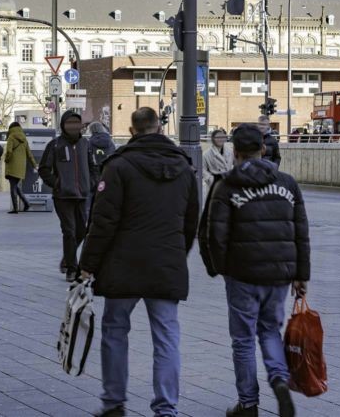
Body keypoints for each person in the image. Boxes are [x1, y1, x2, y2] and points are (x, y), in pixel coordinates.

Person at [80, 107, 199, 417]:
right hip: (166, 265)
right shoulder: (184, 168)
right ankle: (166, 408)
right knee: (167, 337)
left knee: (116, 330)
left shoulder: (118, 167)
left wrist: (88, 263)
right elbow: (191, 222)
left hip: (124, 265)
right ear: (159, 128)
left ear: (132, 131)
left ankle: (114, 403)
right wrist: (176, 254)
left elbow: (102, 222)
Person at [200, 123, 309, 417]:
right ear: (263, 149)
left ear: (234, 151)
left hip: (242, 274)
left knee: (244, 339)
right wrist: (301, 274)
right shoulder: (287, 184)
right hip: (279, 274)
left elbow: (215, 234)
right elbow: (301, 232)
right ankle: (279, 381)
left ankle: (248, 404)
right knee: (270, 331)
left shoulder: (226, 186)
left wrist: (222, 268)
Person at [39, 110, 99, 282]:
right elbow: (44, 169)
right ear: (63, 126)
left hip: (82, 195)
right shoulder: (56, 145)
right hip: (63, 196)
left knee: (82, 231)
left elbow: (93, 166)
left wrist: (92, 183)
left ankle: (67, 258)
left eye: (76, 123)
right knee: (69, 231)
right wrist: (56, 183)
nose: (73, 127)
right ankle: (72, 268)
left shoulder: (85, 144)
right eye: (69, 123)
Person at [3, 122, 37, 214]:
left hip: (12, 166)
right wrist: (34, 165)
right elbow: (29, 154)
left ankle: (15, 208)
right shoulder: (24, 138)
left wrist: (6, 159)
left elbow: (9, 151)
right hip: (21, 166)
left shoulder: (11, 137)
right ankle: (26, 203)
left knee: (13, 188)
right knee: (16, 186)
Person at [203, 128, 234, 196]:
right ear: (213, 139)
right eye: (218, 137)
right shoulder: (206, 154)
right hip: (214, 185)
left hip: (228, 183)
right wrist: (210, 179)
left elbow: (236, 164)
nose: (220, 139)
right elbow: (202, 170)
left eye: (222, 137)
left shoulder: (230, 151)